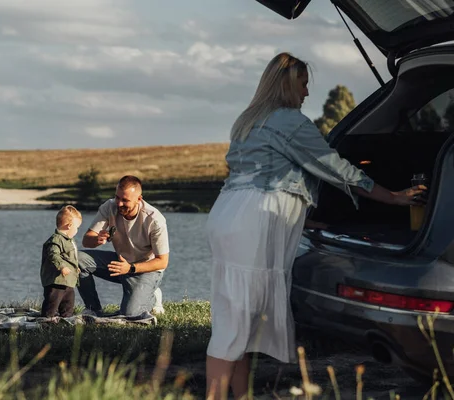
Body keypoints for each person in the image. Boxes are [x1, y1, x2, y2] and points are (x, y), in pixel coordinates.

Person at [205, 52, 427, 400]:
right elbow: (337, 168)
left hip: (229, 215)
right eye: (303, 83)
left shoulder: (248, 121)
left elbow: (261, 177)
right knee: (235, 326)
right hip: (253, 223)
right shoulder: (290, 121)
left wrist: (303, 216)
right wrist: (394, 197)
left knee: (237, 321)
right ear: (286, 84)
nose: (307, 92)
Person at [78, 175, 169, 317]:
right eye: (117, 197)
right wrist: (97, 239)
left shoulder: (155, 220)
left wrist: (131, 268)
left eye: (125, 200)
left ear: (139, 199)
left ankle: (153, 296)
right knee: (76, 259)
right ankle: (93, 309)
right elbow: (86, 240)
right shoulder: (109, 207)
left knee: (130, 314)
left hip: (146, 269)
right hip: (120, 263)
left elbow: (162, 261)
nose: (119, 204)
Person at [40, 205, 82, 318]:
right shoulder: (56, 240)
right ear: (69, 226)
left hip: (68, 281)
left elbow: (71, 258)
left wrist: (75, 267)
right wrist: (62, 266)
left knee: (68, 303)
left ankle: (66, 319)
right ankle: (46, 320)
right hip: (56, 281)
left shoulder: (69, 241)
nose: (77, 231)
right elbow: (53, 254)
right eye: (77, 227)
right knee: (52, 302)